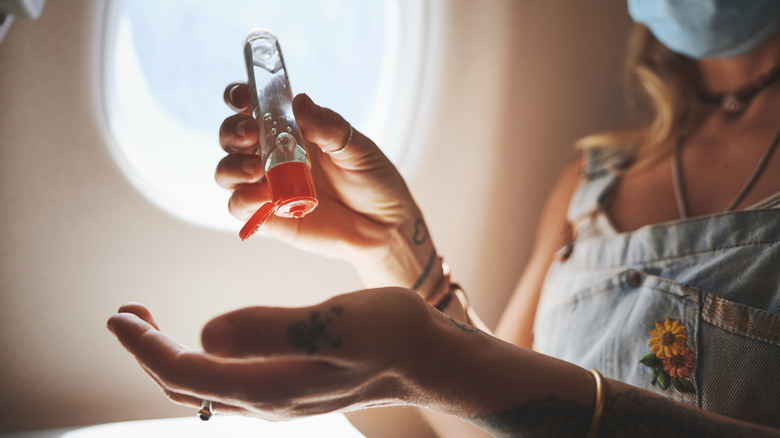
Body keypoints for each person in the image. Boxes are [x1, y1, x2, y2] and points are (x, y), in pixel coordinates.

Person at [108, 1, 780, 436]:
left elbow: (481, 379)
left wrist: (429, 360)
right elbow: (490, 422)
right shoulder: (590, 183)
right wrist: (393, 246)